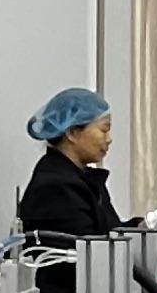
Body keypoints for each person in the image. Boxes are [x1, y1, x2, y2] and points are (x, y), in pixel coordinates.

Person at [15, 88, 120, 243]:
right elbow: (87, 247)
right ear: (72, 133)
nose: (109, 139)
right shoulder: (55, 187)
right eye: (104, 129)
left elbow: (110, 231)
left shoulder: (84, 180)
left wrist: (144, 226)